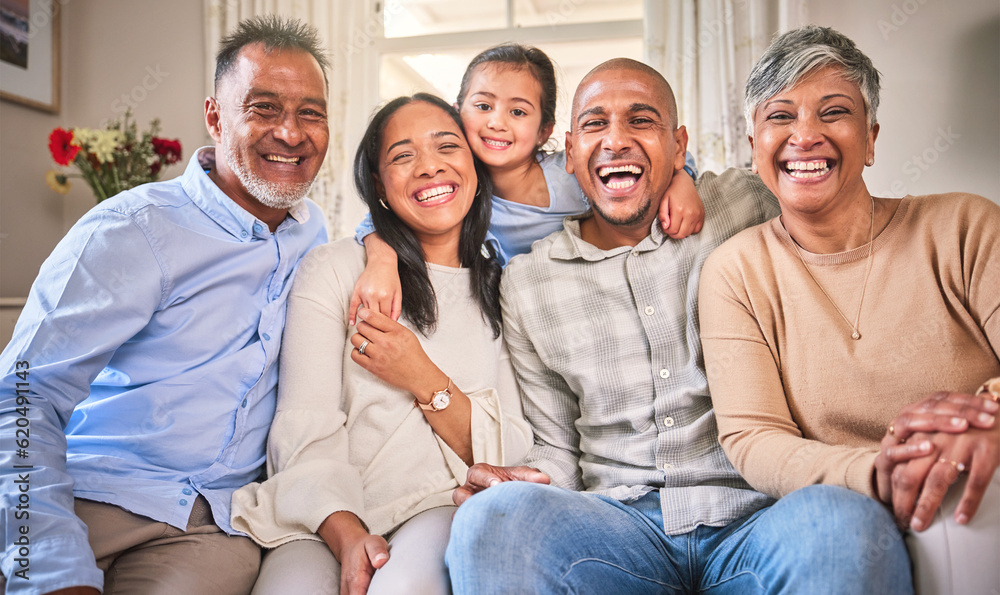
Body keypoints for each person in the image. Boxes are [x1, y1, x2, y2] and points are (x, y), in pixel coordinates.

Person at [444, 58, 913, 594]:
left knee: (845, 523)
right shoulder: (527, 282)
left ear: (678, 145)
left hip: (761, 513)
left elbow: (831, 199)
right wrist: (515, 482)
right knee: (490, 522)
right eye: (596, 124)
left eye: (641, 121)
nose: (616, 140)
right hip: (618, 527)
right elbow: (557, 446)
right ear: (571, 152)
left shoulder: (745, 203)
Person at [0, 16, 329, 595]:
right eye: (263, 108)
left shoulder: (315, 234)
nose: (291, 133)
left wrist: (380, 250)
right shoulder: (132, 229)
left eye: (311, 113)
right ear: (214, 116)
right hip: (90, 495)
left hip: (213, 529)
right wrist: (46, 566)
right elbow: (23, 395)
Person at [698, 25, 999, 594]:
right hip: (839, 518)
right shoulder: (735, 270)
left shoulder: (966, 227)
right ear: (752, 145)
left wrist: (991, 423)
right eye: (780, 116)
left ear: (871, 139)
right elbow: (754, 438)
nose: (804, 135)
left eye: (833, 112)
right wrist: (878, 473)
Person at [230, 93, 532, 595]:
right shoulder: (334, 269)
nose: (429, 167)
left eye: (447, 147)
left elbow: (506, 444)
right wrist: (348, 535)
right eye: (402, 156)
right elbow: (305, 427)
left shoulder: (504, 287)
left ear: (475, 167)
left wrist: (420, 375)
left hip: (437, 505)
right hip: (321, 512)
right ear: (379, 186)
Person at [349, 43, 705, 322]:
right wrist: (380, 261)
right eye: (483, 106)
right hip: (531, 310)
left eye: (517, 112)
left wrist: (683, 181)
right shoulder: (460, 195)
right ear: (459, 112)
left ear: (544, 131)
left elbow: (657, 162)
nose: (497, 123)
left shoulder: (571, 174)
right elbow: (384, 216)